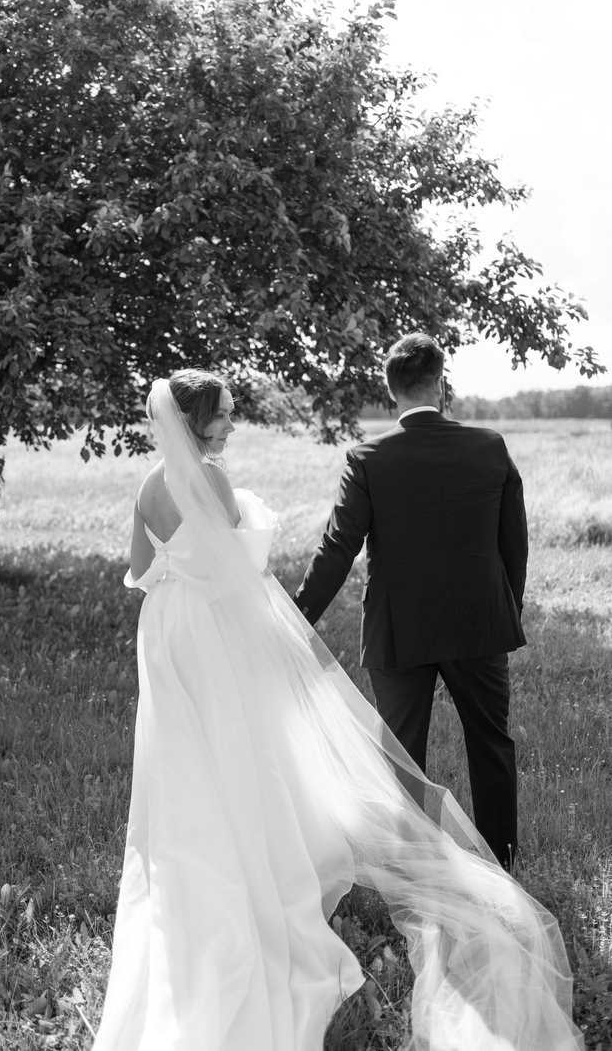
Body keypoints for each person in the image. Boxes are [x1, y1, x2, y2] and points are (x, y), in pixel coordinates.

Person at [92, 367, 582, 1051]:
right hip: (231, 626)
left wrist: (207, 585)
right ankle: (484, 855)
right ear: (199, 418)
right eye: (226, 414)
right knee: (465, 741)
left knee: (189, 746)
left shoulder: (149, 485)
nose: (233, 423)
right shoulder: (221, 481)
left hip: (170, 632)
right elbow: (241, 564)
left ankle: (210, 844)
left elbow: (142, 570)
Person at [295, 334, 527, 869]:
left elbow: (339, 547)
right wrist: (504, 608)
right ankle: (504, 861)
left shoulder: (369, 456)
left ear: (391, 390)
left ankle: (413, 869)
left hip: (400, 628)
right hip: (479, 622)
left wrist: (298, 613)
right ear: (441, 384)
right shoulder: (489, 445)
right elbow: (514, 542)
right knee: (491, 743)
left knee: (401, 754)